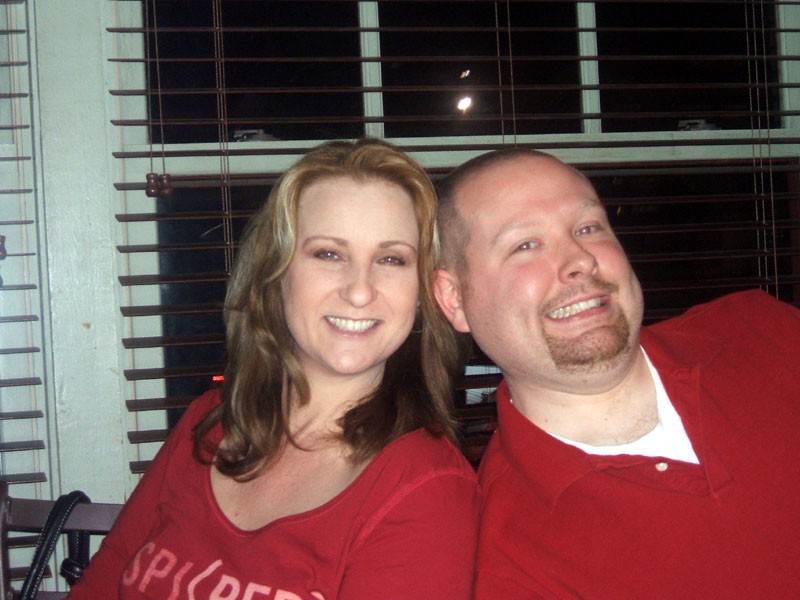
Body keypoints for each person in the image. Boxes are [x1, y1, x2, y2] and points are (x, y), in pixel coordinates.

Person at [69, 139, 480, 599]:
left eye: (391, 259)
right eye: (328, 254)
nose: (360, 291)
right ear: (277, 273)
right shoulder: (211, 422)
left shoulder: (426, 488)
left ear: (421, 291)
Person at [432, 148, 800, 598]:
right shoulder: (515, 564)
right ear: (454, 299)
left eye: (588, 228)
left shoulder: (761, 329)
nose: (580, 260)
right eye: (525, 245)